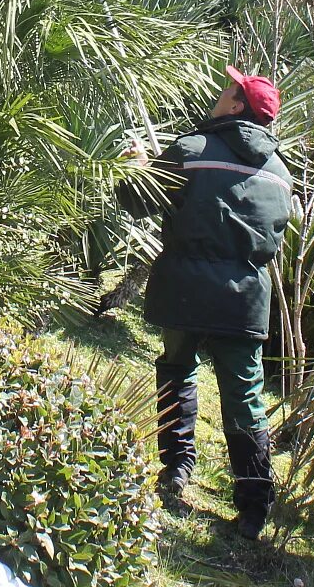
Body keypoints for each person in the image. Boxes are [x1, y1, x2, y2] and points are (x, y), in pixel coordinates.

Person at [121, 67, 292, 539]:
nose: (220, 94)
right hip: (244, 303)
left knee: (178, 372)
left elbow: (133, 201)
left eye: (228, 91)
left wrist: (140, 166)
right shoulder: (281, 175)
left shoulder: (190, 150)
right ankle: (254, 506)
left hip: (186, 291)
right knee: (245, 399)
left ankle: (176, 469)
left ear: (237, 106)